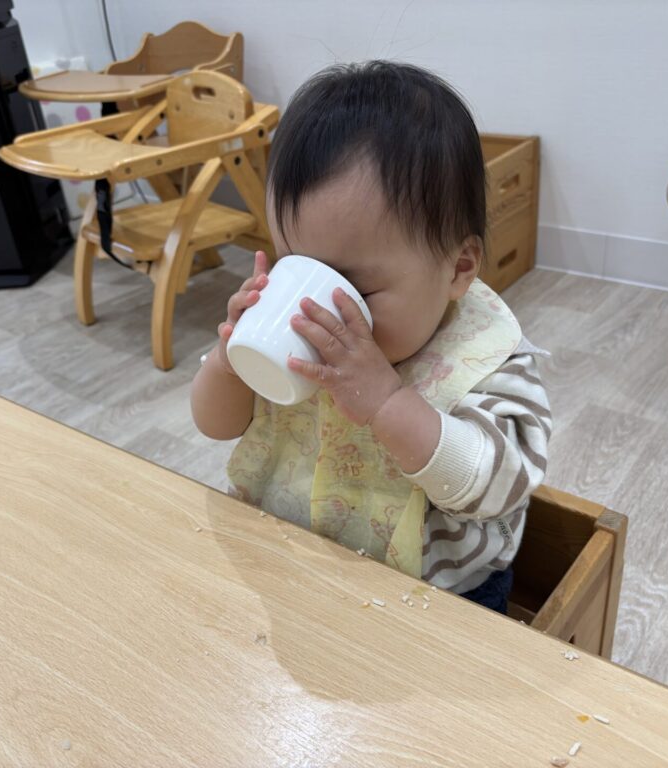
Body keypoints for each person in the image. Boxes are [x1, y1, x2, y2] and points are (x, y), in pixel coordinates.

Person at [191, 61, 551, 613]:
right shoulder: (291, 334)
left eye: (353, 290)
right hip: (292, 557)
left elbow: (498, 485)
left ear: (458, 267)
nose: (317, 313)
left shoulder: (485, 359)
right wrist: (227, 361)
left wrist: (387, 403)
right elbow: (215, 426)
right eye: (296, 266)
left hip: (439, 598)